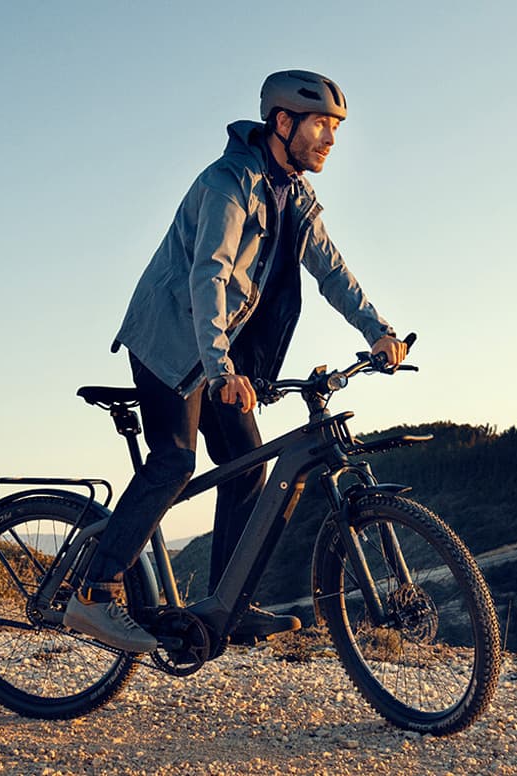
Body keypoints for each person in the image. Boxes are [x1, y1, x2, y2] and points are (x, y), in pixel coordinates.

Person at [66, 70, 408, 653]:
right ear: (282, 122)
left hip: (214, 351)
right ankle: (93, 593)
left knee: (248, 466)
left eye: (335, 128)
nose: (330, 139)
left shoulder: (294, 195)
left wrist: (380, 331)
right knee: (174, 460)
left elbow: (331, 269)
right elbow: (210, 274)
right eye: (321, 124)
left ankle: (224, 603)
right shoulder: (229, 181)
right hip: (171, 341)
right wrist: (222, 369)